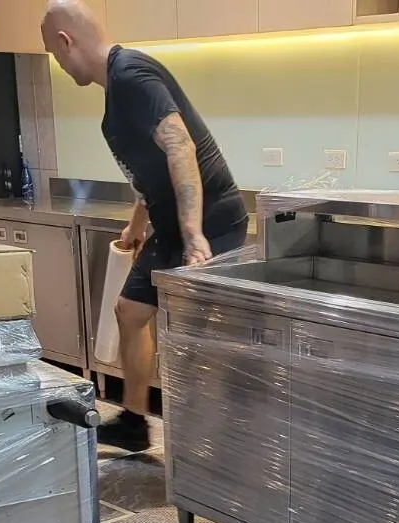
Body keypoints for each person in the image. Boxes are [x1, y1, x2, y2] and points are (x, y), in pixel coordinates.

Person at [42, 0, 248, 454]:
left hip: (212, 221)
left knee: (197, 336)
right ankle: (135, 423)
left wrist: (194, 235)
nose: (59, 64)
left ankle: (219, 438)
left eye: (54, 55)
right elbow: (150, 169)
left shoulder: (131, 75)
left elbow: (179, 145)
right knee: (130, 311)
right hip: (170, 226)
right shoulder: (118, 88)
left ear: (65, 41)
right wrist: (138, 222)